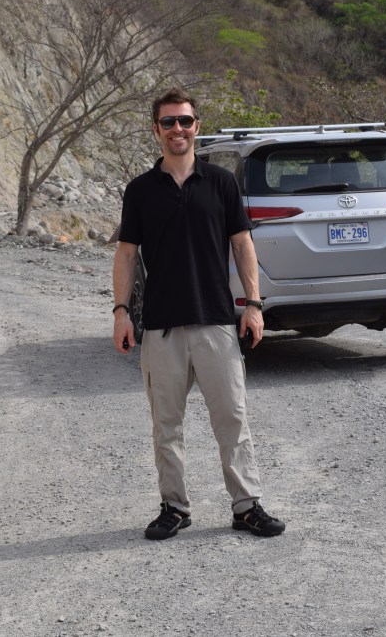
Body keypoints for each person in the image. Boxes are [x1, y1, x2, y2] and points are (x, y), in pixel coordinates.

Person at [111, 87, 286, 540]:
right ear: (156, 130)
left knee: (232, 418)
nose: (177, 130)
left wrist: (253, 303)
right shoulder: (141, 191)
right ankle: (174, 507)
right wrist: (121, 312)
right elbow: (127, 255)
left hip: (216, 322)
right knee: (166, 425)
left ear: (197, 127)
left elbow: (243, 244)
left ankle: (246, 506)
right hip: (162, 329)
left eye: (185, 121)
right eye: (168, 122)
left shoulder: (223, 183)